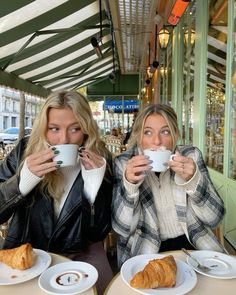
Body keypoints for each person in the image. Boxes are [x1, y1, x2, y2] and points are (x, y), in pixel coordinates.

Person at [0, 90, 113, 294]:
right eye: (54, 129)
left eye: (75, 129)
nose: (64, 140)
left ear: (86, 129)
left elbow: (97, 233)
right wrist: (23, 181)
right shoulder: (24, 151)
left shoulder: (99, 158)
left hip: (81, 254)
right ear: (43, 129)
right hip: (26, 253)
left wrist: (92, 188)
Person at [112, 103, 226, 267]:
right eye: (148, 132)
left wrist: (193, 181)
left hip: (194, 244)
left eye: (165, 132)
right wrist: (130, 186)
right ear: (138, 136)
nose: (157, 141)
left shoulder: (191, 156)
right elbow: (122, 230)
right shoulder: (124, 163)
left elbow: (215, 218)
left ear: (176, 134)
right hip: (145, 250)